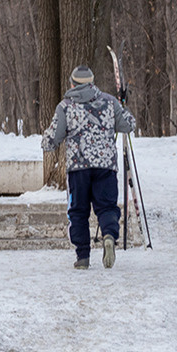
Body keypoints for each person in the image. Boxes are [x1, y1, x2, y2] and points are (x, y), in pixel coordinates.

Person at [42, 64, 135, 269]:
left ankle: (82, 256)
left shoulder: (65, 106)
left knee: (78, 211)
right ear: (92, 83)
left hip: (78, 167)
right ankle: (109, 235)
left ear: (72, 83)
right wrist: (123, 106)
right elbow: (128, 125)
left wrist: (47, 141)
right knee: (107, 206)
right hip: (106, 166)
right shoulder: (110, 102)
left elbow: (53, 138)